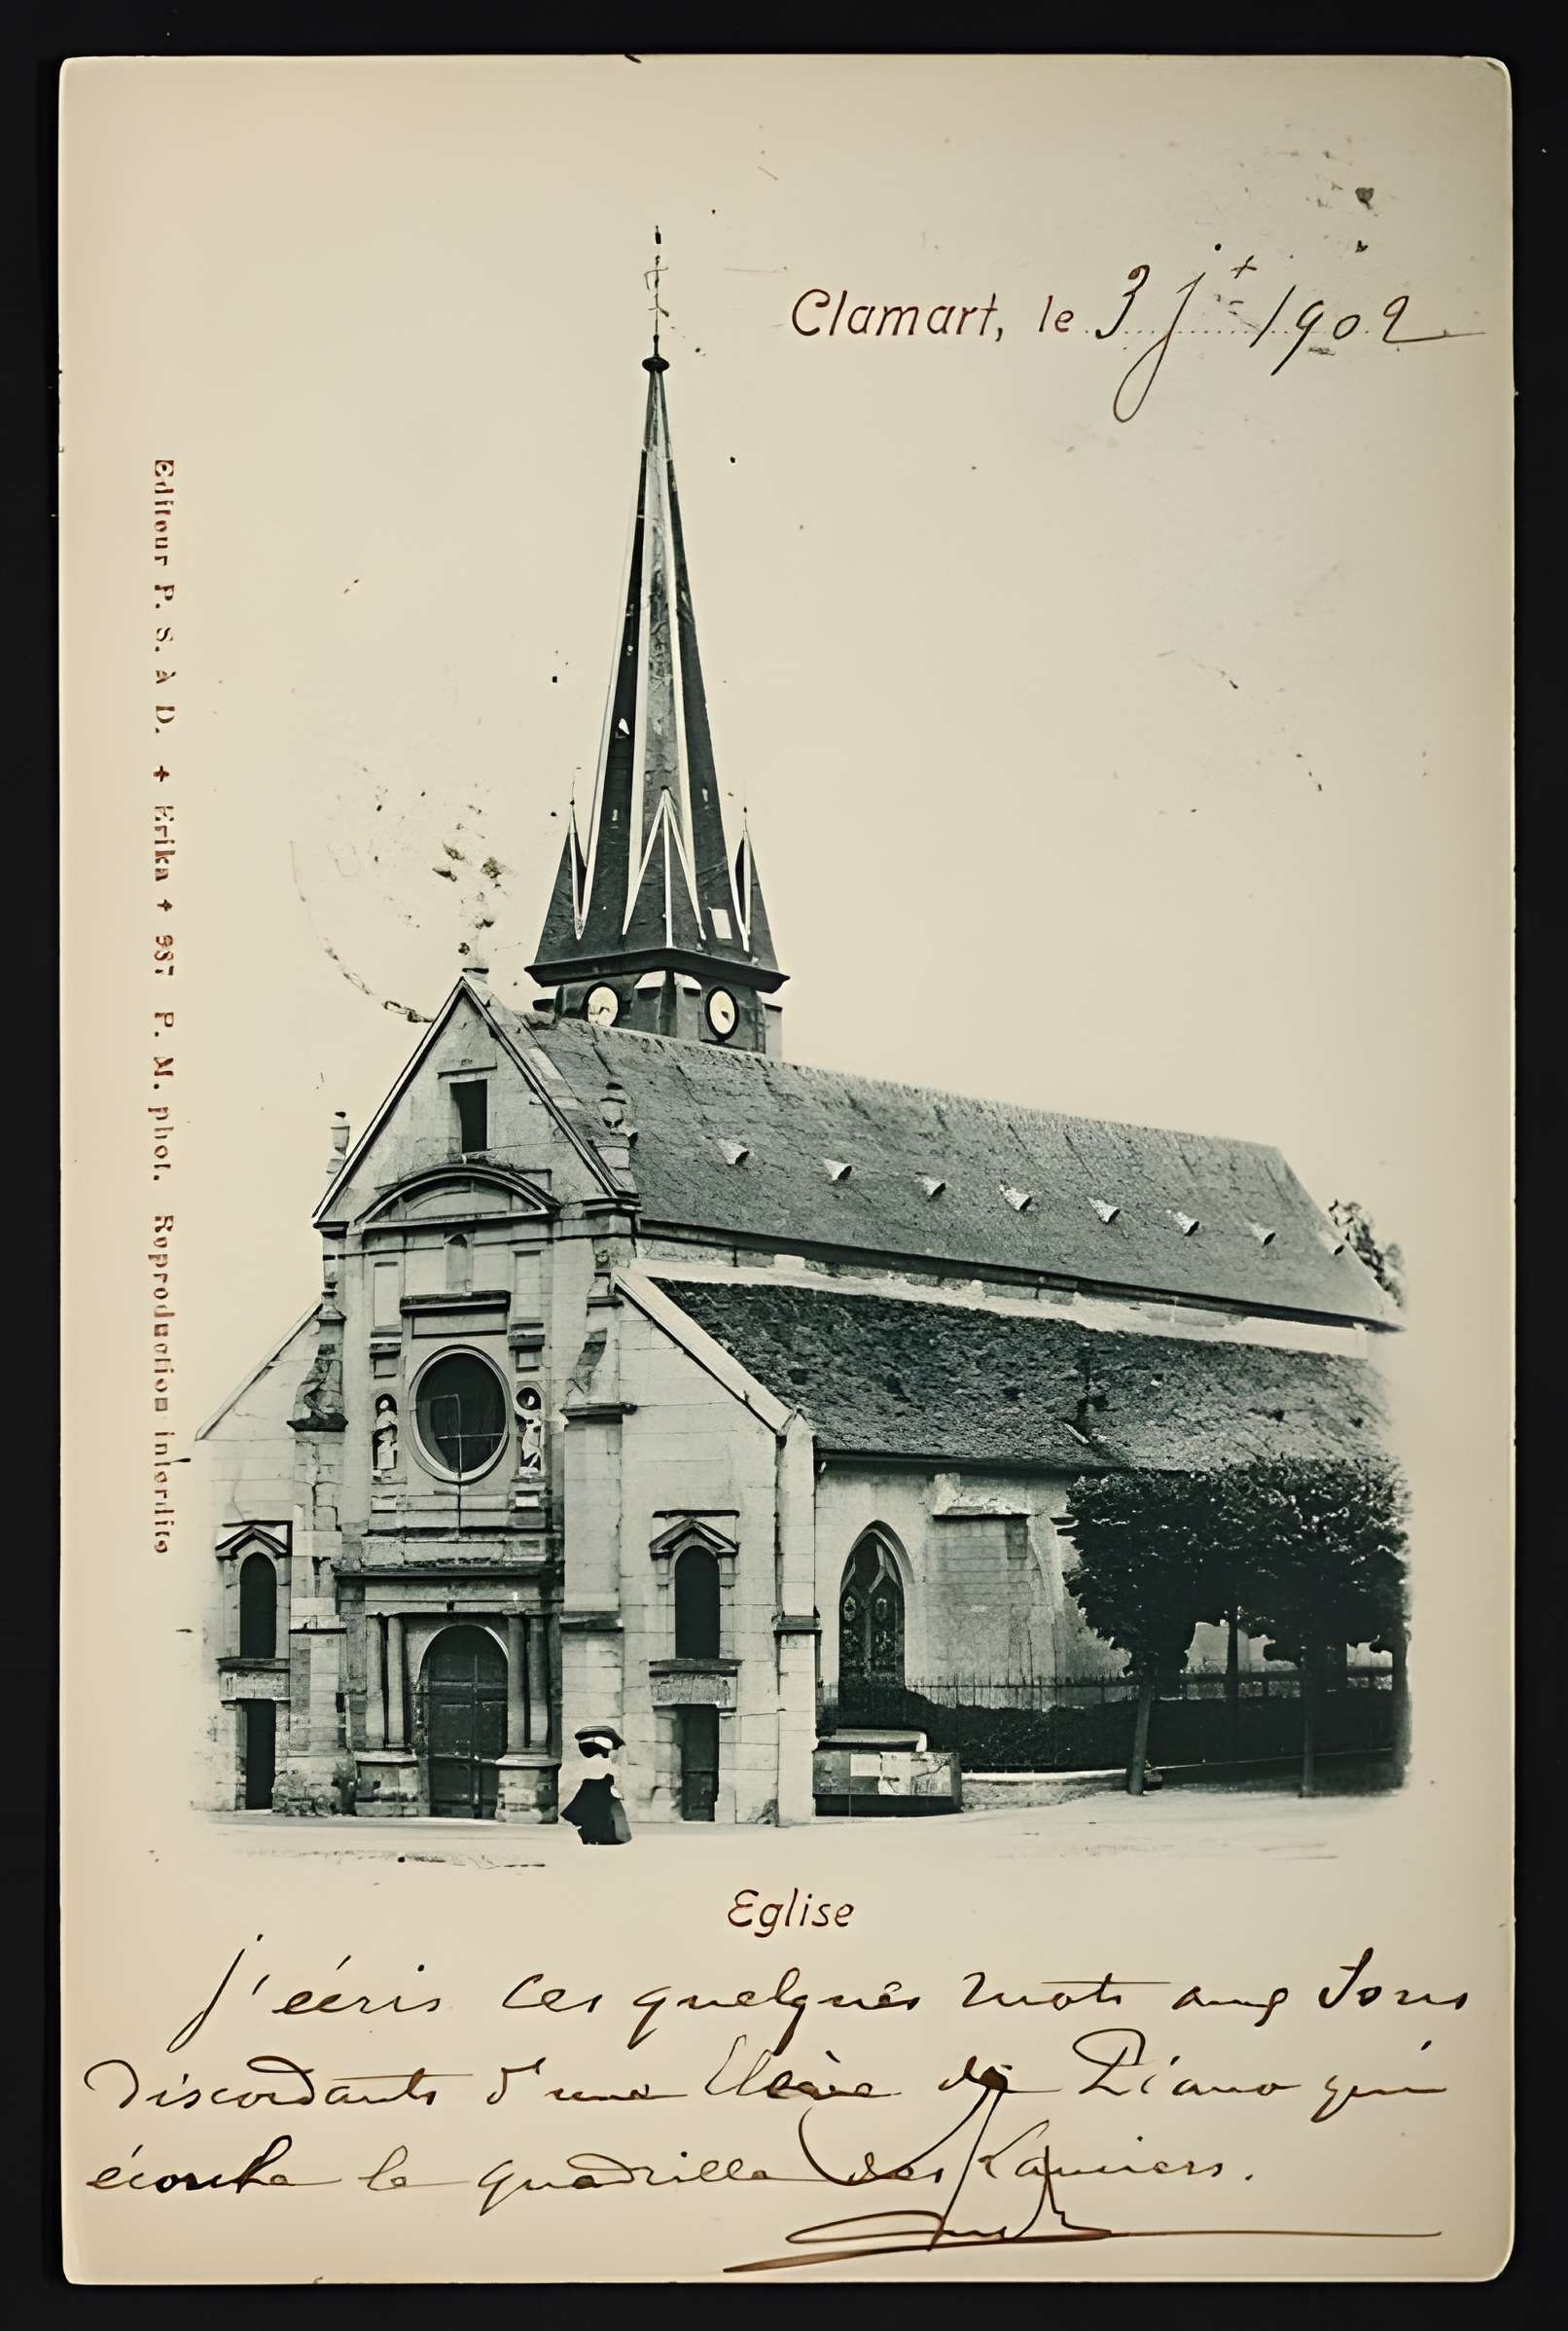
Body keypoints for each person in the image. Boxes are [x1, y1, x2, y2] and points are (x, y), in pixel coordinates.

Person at [560, 1726, 631, 1845]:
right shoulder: (605, 1761)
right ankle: (599, 1836)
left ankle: (592, 1835)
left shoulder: (593, 1761)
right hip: (600, 1788)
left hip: (595, 1788)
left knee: (597, 1815)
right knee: (602, 1815)